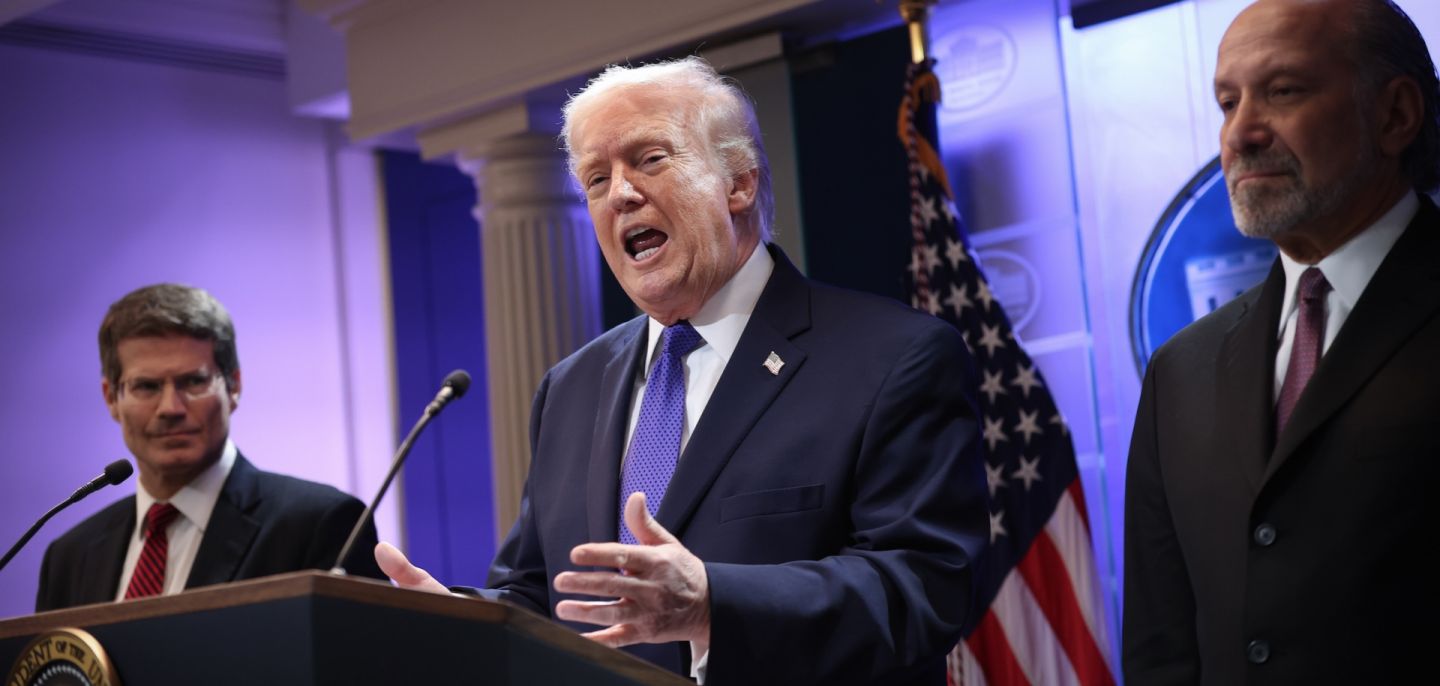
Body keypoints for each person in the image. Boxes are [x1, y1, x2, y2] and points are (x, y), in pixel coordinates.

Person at [375, 57, 987, 685]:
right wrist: (465, 626)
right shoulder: (572, 387)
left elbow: (926, 587)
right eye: (595, 179)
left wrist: (713, 602)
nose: (620, 194)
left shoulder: (893, 358)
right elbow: (539, 595)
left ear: (739, 182)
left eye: (649, 159)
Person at [1124, 0, 1440, 683]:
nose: (1240, 133)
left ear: (1395, 115)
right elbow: (1163, 648)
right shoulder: (1181, 371)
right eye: (1227, 101)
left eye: (1283, 91)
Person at [36, 284, 385, 611]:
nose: (170, 407)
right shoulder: (69, 557)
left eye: (193, 381)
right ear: (112, 398)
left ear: (233, 386)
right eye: (147, 386)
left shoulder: (321, 524)